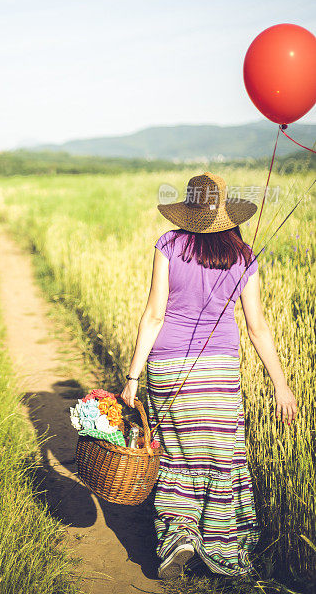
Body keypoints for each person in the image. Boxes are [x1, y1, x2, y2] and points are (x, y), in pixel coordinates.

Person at [120, 172, 297, 581]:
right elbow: (258, 328)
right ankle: (220, 546)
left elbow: (155, 314)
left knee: (177, 457)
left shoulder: (168, 244)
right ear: (225, 212)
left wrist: (133, 376)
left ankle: (179, 536)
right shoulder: (245, 256)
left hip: (168, 369)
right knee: (221, 459)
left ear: (189, 210)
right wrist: (281, 384)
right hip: (218, 373)